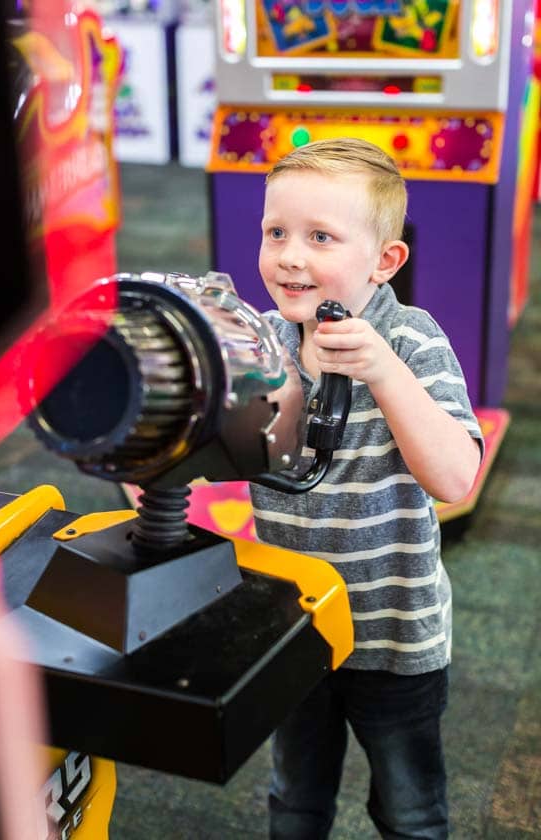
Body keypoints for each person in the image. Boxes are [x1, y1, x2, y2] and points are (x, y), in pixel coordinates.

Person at [249, 137, 484, 840]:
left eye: (321, 236)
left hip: (394, 638)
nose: (291, 255)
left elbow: (453, 476)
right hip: (295, 628)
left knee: (410, 810)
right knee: (294, 800)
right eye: (276, 232)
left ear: (385, 262)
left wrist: (383, 372)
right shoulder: (261, 340)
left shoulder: (412, 342)